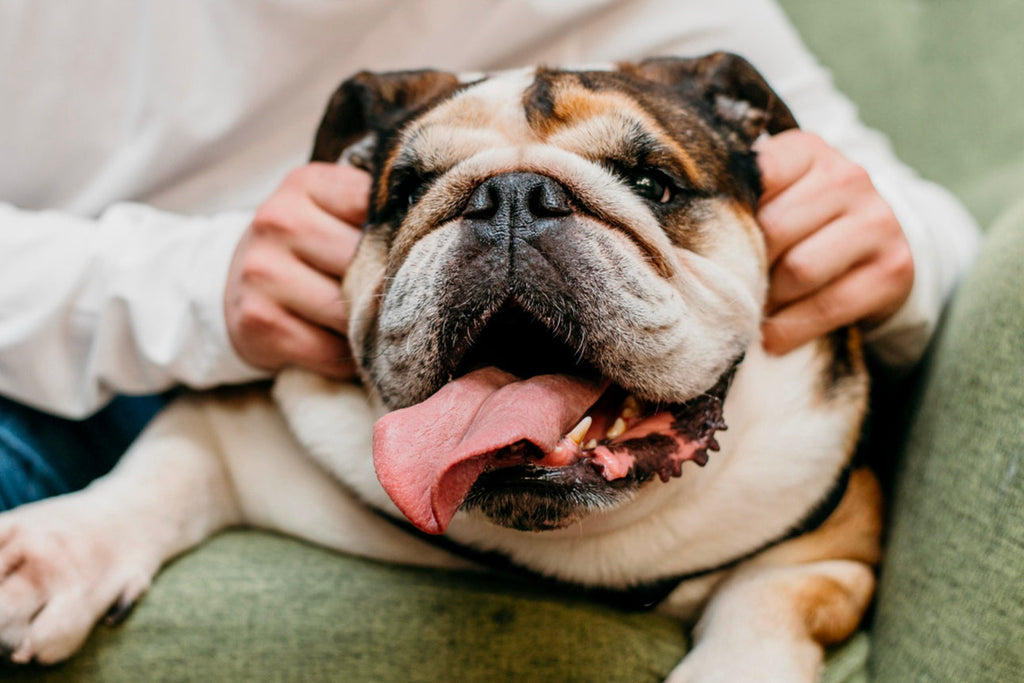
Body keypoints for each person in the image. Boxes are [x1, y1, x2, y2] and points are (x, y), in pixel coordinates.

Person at [0, 0, 979, 512]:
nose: (510, 216)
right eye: (425, 192)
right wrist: (190, 289)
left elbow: (923, 227)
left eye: (639, 181)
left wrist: (881, 239)